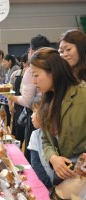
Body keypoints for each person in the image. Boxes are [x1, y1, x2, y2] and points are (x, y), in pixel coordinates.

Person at [29, 47, 86, 198]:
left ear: (53, 72)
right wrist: (53, 158)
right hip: (62, 177)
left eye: (36, 75)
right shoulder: (48, 101)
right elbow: (45, 139)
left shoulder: (82, 94)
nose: (34, 82)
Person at [7, 34, 50, 162]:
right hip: (47, 114)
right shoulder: (51, 67)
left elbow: (27, 100)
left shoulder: (31, 69)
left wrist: (10, 97)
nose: (36, 82)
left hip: (38, 114)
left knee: (34, 154)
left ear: (31, 51)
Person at [27, 97, 53, 189]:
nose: (31, 116)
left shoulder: (58, 135)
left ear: (46, 112)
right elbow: (36, 164)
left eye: (34, 111)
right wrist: (48, 185)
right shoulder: (35, 135)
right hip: (46, 185)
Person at [9, 53, 29, 148]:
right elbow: (9, 90)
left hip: (28, 107)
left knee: (28, 137)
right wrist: (10, 104)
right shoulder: (16, 74)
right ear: (24, 63)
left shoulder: (33, 75)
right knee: (18, 135)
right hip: (18, 106)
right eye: (28, 64)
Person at [2, 54, 21, 127]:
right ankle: (8, 126)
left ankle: (9, 126)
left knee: (12, 112)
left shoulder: (15, 68)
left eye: (5, 62)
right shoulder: (9, 68)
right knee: (8, 111)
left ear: (10, 61)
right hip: (9, 92)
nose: (4, 64)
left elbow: (14, 84)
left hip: (14, 94)